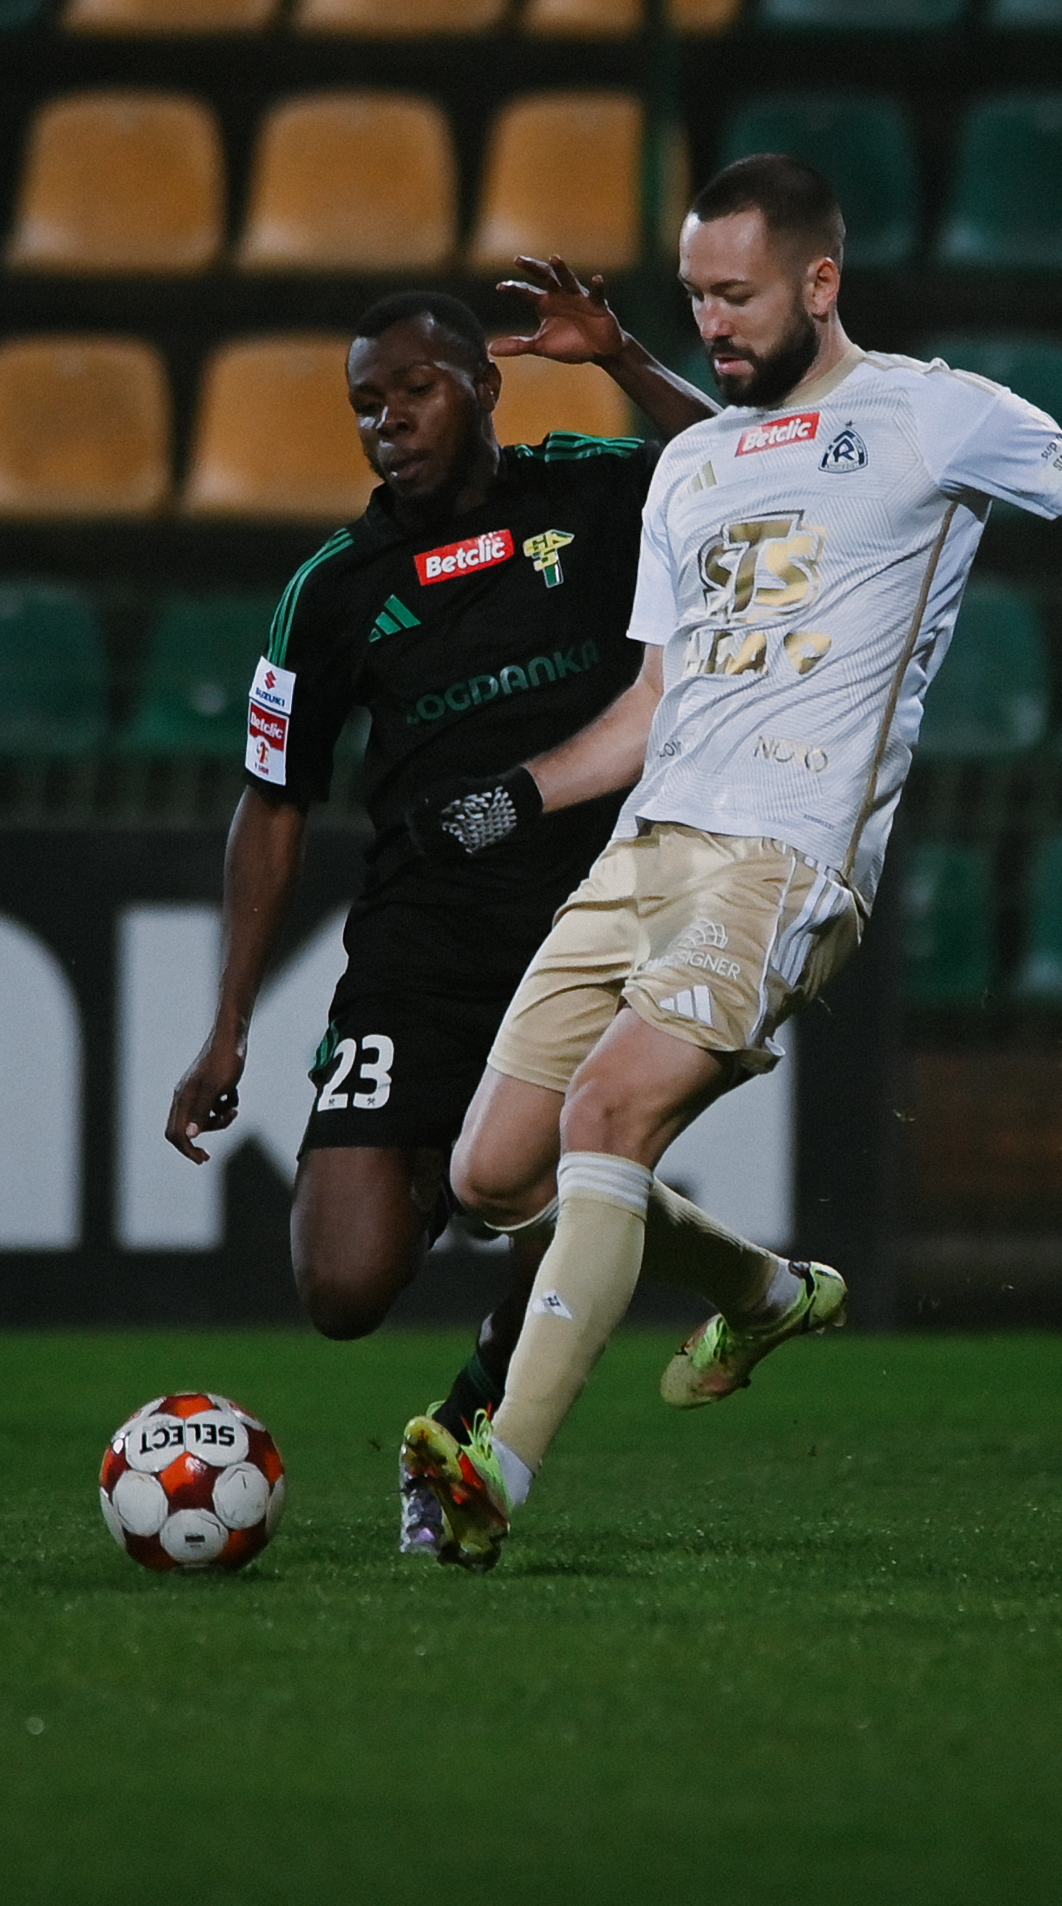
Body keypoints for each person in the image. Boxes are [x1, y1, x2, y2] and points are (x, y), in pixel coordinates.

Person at [398, 154, 1062, 1569]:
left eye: (737, 296)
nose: (714, 323)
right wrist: (515, 797)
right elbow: (653, 704)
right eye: (696, 297)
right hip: (642, 851)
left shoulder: (932, 413)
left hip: (785, 859)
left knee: (605, 1119)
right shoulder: (692, 466)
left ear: (820, 281)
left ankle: (498, 1468)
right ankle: (765, 1293)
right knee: (493, 1175)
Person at [165, 266, 824, 1557]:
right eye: (367, 404)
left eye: (414, 390)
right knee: (344, 1282)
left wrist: (625, 356)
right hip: (421, 937)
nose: (388, 421)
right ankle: (739, 1278)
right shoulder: (332, 589)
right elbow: (273, 802)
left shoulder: (589, 488)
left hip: (598, 910)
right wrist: (229, 1024)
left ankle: (465, 1426)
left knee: (558, 1176)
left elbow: (749, 468)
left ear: (483, 386)